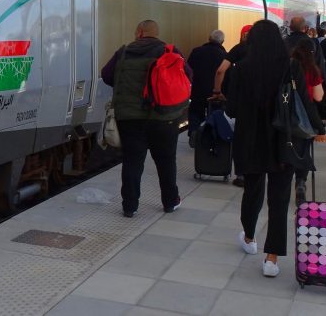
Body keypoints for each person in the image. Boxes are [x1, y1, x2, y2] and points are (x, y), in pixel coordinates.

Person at [227, 20, 326, 278]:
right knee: (279, 199)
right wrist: (320, 129)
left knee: (252, 191)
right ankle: (272, 259)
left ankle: (249, 238)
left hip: (250, 142)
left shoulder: (240, 70)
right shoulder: (291, 67)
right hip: (284, 142)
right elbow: (305, 102)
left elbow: (231, 110)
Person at [101, 20, 192, 218]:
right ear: (156, 34)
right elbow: (188, 76)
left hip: (130, 118)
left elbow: (106, 75)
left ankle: (130, 206)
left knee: (132, 162)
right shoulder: (170, 51)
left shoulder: (123, 52)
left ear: (140, 32)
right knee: (166, 161)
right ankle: (170, 202)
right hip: (165, 117)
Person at [210, 24, 252, 187]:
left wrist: (217, 91)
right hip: (261, 103)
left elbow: (221, 70)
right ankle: (255, 171)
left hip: (239, 102)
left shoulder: (238, 49)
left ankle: (240, 174)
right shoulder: (267, 51)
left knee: (240, 137)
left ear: (242, 35)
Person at [290, 39, 325, 205]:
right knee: (303, 150)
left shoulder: (286, 67)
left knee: (288, 147)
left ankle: (285, 175)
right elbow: (318, 97)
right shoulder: (313, 70)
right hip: (306, 117)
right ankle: (301, 181)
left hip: (286, 115)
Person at [186, 30, 227, 139]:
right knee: (214, 112)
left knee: (195, 111)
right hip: (215, 91)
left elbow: (188, 69)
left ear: (209, 38)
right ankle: (210, 135)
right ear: (222, 41)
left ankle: (193, 132)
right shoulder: (224, 55)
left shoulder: (196, 51)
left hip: (197, 89)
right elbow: (226, 74)